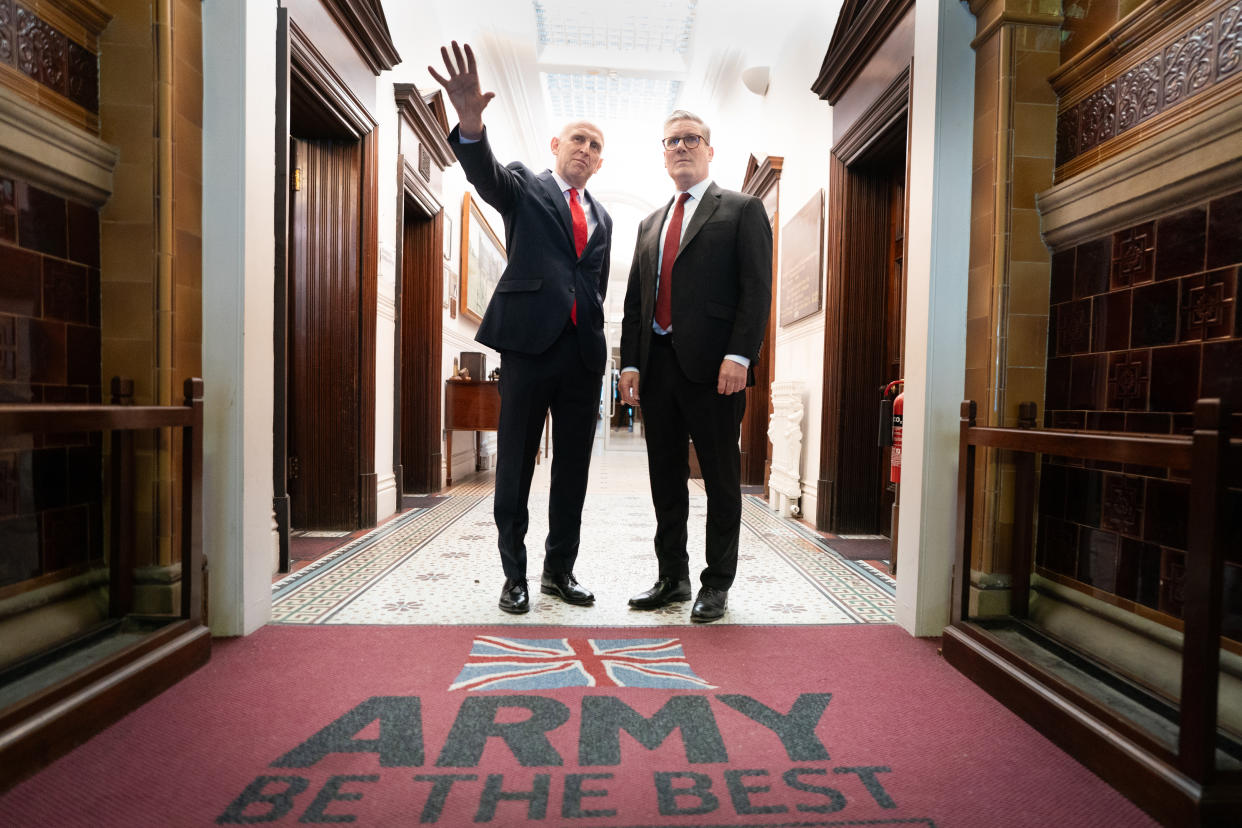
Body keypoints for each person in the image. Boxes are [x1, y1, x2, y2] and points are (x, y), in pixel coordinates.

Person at [430, 42, 613, 614]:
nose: (585, 149)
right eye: (577, 139)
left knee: (573, 473)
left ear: (600, 162)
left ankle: (560, 570)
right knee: (513, 466)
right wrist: (470, 122)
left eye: (595, 145)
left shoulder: (604, 216)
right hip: (529, 351)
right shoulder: (524, 186)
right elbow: (485, 178)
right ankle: (515, 576)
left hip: (583, 359)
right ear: (555, 146)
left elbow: (595, 286)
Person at [618, 110, 772, 622]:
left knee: (722, 480)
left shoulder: (742, 209)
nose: (681, 147)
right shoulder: (649, 223)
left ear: (709, 150)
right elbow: (636, 302)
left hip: (715, 373)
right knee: (665, 478)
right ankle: (673, 577)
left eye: (691, 139)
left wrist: (740, 355)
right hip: (657, 370)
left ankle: (717, 584)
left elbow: (755, 289)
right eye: (671, 141)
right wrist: (631, 365)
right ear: (663, 155)